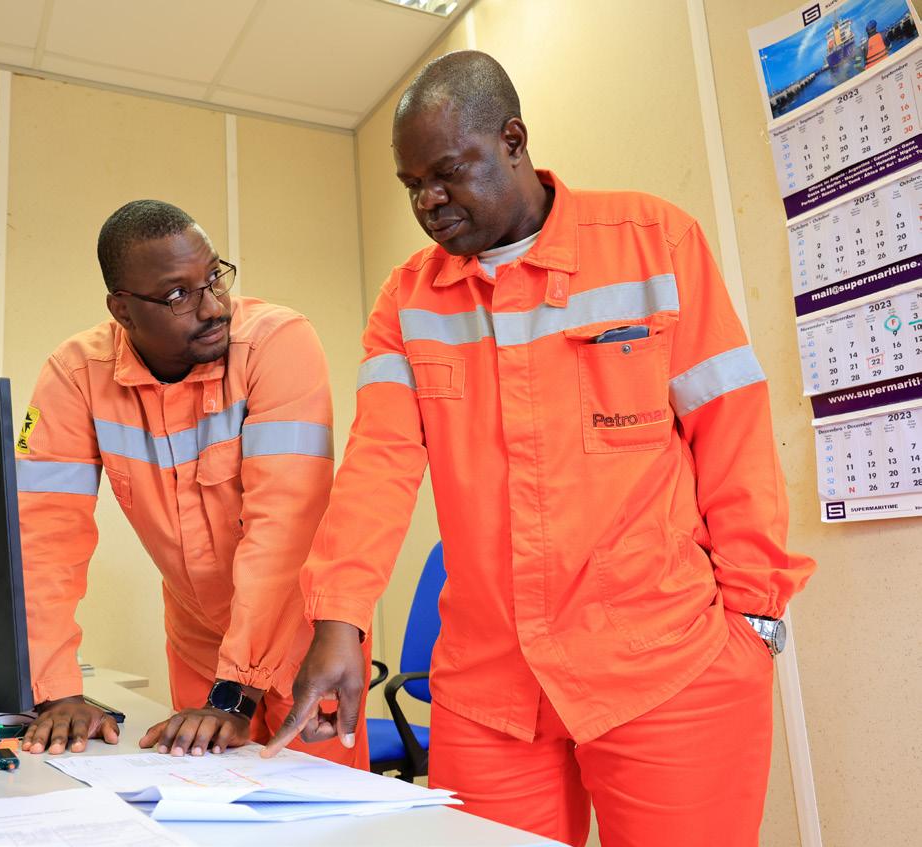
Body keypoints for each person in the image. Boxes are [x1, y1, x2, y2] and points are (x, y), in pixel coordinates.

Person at [264, 51, 815, 847]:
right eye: (411, 184)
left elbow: (732, 430)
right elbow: (377, 465)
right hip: (487, 687)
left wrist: (753, 617)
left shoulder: (652, 241)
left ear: (513, 140)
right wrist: (339, 618)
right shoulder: (406, 300)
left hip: (663, 666)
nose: (427, 201)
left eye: (447, 173)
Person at [16, 199, 369, 767]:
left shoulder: (277, 342)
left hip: (302, 637)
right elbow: (43, 540)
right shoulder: (76, 374)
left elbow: (284, 527)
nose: (213, 306)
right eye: (179, 294)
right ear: (123, 310)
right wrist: (55, 691)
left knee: (321, 805)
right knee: (201, 799)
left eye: (215, 277)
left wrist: (236, 693)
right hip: (199, 638)